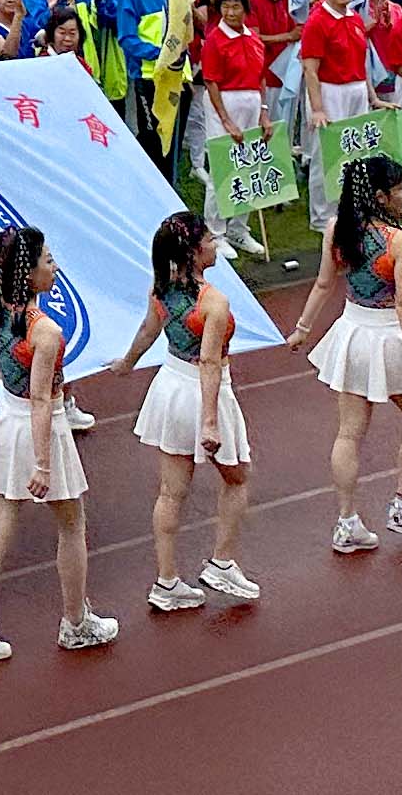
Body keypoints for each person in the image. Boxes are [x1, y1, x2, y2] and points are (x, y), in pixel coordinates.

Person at [0, 226, 114, 662]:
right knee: (71, 524)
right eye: (48, 260)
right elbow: (42, 400)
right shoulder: (46, 332)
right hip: (39, 427)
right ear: (29, 272)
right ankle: (76, 623)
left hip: (8, 420)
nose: (55, 267)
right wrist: (43, 464)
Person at [104, 210, 258, 614]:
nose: (214, 244)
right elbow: (209, 362)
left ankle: (167, 581)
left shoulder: (163, 288)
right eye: (208, 239)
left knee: (171, 491)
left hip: (169, 387)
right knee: (237, 477)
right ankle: (222, 562)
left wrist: (126, 363)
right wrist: (210, 422)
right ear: (193, 251)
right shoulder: (214, 302)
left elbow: (148, 330)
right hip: (202, 392)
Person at [285, 151, 402, 555]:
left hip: (352, 332)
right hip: (387, 337)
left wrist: (302, 329)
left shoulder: (337, 228)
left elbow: (323, 283)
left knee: (349, 432)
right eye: (400, 188)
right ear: (382, 196)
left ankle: (347, 520)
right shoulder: (401, 242)